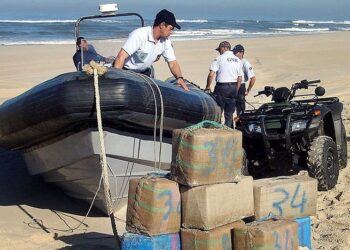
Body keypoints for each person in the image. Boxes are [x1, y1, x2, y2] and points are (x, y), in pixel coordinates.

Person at [114, 9, 189, 91]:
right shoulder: (139, 35)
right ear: (162, 25)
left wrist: (180, 78)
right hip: (126, 71)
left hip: (144, 73)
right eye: (171, 28)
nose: (172, 32)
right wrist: (118, 80)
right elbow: (120, 57)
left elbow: (173, 63)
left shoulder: (165, 41)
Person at [205, 41, 243, 128]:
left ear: (224, 48)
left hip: (222, 87)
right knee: (229, 113)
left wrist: (207, 87)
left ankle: (216, 130)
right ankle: (228, 130)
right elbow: (240, 78)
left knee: (218, 111)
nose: (219, 51)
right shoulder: (237, 60)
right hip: (233, 87)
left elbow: (211, 75)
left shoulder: (219, 58)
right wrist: (236, 89)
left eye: (219, 49)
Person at [232, 44, 256, 116]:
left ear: (241, 53)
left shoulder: (245, 63)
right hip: (232, 86)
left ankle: (240, 125)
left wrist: (248, 90)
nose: (234, 54)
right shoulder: (234, 62)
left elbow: (253, 78)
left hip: (241, 87)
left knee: (240, 108)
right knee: (231, 108)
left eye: (236, 52)